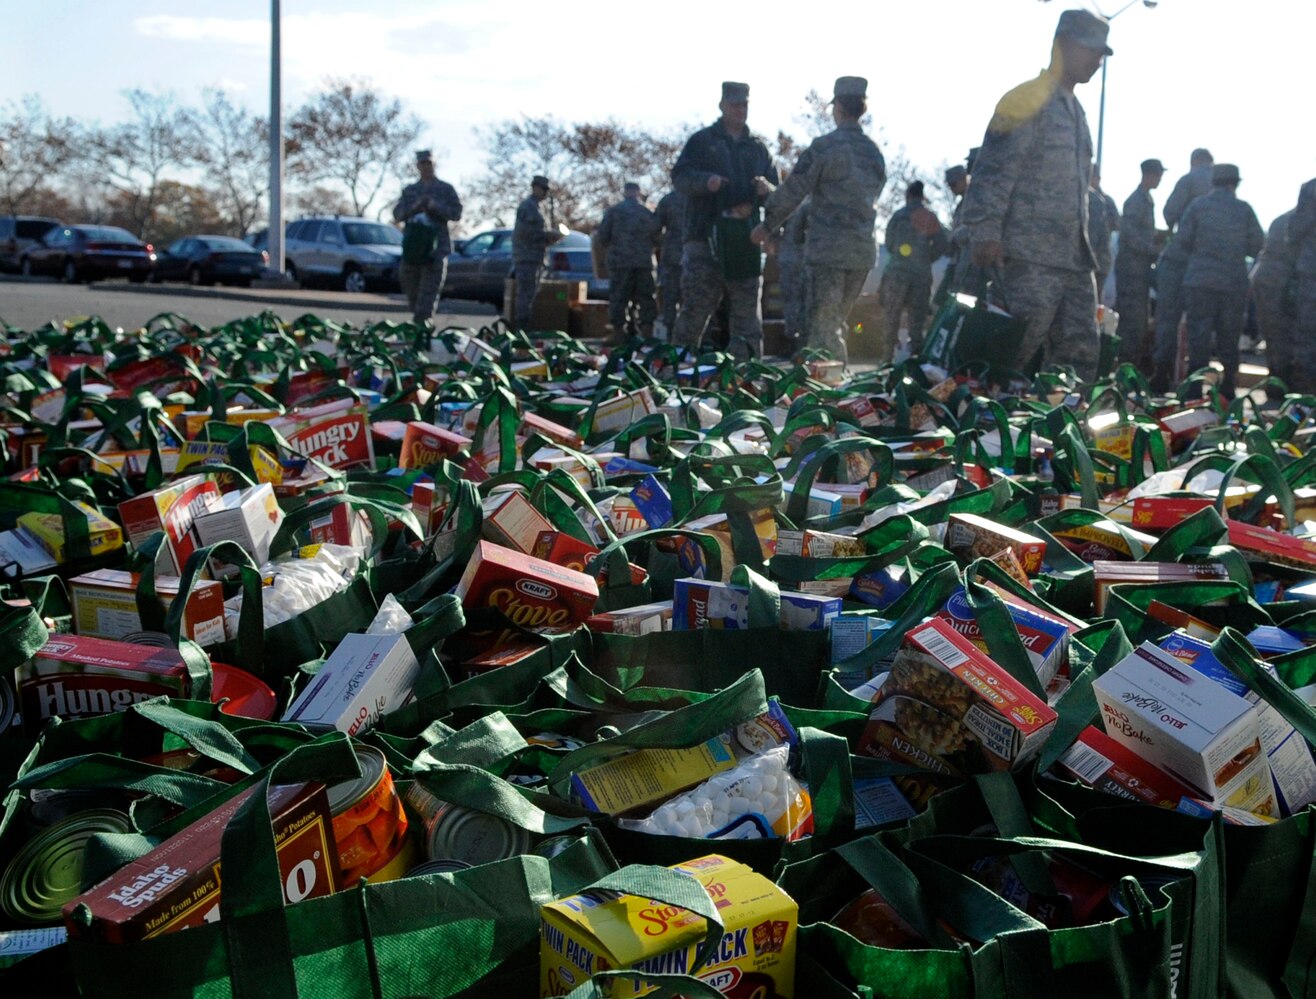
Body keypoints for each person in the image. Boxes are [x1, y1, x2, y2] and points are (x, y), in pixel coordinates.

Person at [960, 8, 1109, 380]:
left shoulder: (1077, 112)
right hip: (1027, 257)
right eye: (1091, 50)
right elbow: (993, 170)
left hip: (1074, 259)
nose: (1097, 60)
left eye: (1101, 53)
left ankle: (1064, 418)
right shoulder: (1025, 99)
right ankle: (979, 416)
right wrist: (985, 232)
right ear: (1062, 45)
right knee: (1008, 355)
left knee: (1079, 358)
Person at [754, 76, 886, 365]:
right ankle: (832, 382)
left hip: (829, 251)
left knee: (821, 330)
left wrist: (767, 224)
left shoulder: (826, 147)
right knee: (834, 322)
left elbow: (795, 189)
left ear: (838, 106)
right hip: (862, 253)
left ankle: (831, 388)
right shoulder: (874, 152)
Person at [669, 81, 779, 361]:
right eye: (734, 104)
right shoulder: (702, 142)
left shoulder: (757, 148)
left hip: (744, 240)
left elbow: (779, 196)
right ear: (722, 106)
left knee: (747, 315)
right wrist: (706, 182)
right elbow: (680, 177)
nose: (740, 110)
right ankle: (678, 369)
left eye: (744, 105)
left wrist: (766, 189)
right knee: (696, 308)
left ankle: (747, 373)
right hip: (704, 238)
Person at [1175, 163, 1264, 397]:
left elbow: (1182, 240)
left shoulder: (1198, 206)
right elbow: (1257, 245)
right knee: (1229, 336)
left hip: (1200, 281)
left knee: (1199, 336)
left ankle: (1194, 389)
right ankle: (1227, 390)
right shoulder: (1244, 210)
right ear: (1235, 183)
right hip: (1232, 284)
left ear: (1213, 182)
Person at [1150, 148, 1214, 390]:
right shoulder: (1220, 185)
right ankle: (1195, 382)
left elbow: (1169, 214)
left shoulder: (1188, 180)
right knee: (1201, 325)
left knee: (1168, 318)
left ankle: (1161, 374)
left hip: (1179, 261)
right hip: (1207, 265)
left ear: (1194, 161)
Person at [392, 149, 463, 325]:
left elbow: (456, 213)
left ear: (434, 164)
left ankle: (423, 328)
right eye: (423, 163)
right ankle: (420, 325)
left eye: (429, 163)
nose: (426, 167)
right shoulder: (411, 190)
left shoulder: (445, 189)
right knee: (412, 293)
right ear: (417, 166)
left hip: (435, 251)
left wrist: (435, 207)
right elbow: (397, 214)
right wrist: (414, 207)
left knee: (427, 297)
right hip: (413, 250)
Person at [878, 181, 945, 359]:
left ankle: (887, 359)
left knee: (892, 317)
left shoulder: (899, 215)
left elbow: (889, 242)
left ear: (908, 195)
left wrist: (900, 257)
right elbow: (941, 244)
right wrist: (926, 258)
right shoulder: (930, 217)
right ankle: (916, 360)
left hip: (897, 273)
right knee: (917, 321)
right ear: (922, 196)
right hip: (920, 276)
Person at [1114, 158, 1165, 364]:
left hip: (1139, 272)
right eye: (1158, 175)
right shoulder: (1136, 201)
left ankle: (1130, 362)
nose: (1160, 179)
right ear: (1149, 175)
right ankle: (1124, 364)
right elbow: (1130, 236)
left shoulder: (1146, 199)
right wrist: (1153, 249)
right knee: (1131, 321)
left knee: (1139, 321)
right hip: (1131, 272)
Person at [597, 182, 660, 343]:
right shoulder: (647, 212)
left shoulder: (614, 211)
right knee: (646, 298)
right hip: (643, 262)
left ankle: (618, 333)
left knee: (619, 297)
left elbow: (602, 236)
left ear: (625, 192)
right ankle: (646, 333)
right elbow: (658, 238)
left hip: (620, 262)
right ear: (638, 192)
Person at [1252, 208, 1299, 392]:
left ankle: (1277, 381)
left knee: (1273, 334)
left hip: (1267, 278)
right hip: (1281, 281)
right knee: (1284, 334)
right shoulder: (1303, 221)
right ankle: (1282, 384)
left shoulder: (1284, 219)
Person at [511, 174, 564, 331]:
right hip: (526, 257)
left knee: (531, 293)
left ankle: (526, 325)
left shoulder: (539, 208)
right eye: (543, 189)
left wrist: (553, 238)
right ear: (535, 188)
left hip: (536, 257)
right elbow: (527, 233)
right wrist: (548, 235)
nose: (546, 193)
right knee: (525, 293)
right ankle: (521, 327)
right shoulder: (527, 207)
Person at [1289, 178, 1316, 393]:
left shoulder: (1311, 188)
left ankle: (1308, 393)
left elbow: (1296, 231)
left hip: (1312, 270)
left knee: (1308, 332)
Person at [935, 162, 971, 305]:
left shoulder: (974, 201)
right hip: (957, 261)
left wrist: (952, 237)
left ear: (963, 180)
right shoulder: (961, 205)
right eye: (949, 185)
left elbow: (969, 231)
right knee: (942, 302)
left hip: (968, 264)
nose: (951, 188)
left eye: (953, 184)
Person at [654, 188, 687, 338]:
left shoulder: (668, 200)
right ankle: (694, 339)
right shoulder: (701, 198)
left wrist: (662, 242)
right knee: (694, 297)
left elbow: (655, 227)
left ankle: (670, 335)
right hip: (697, 253)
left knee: (670, 295)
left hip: (672, 253)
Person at [776, 200, 810, 343]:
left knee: (795, 301)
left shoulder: (790, 197)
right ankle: (797, 339)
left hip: (795, 257)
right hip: (803, 257)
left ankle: (796, 338)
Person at [1088, 170, 1114, 304]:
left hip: (1099, 259)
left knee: (1095, 302)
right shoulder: (1084, 196)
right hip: (1089, 260)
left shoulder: (1103, 201)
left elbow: (1116, 224)